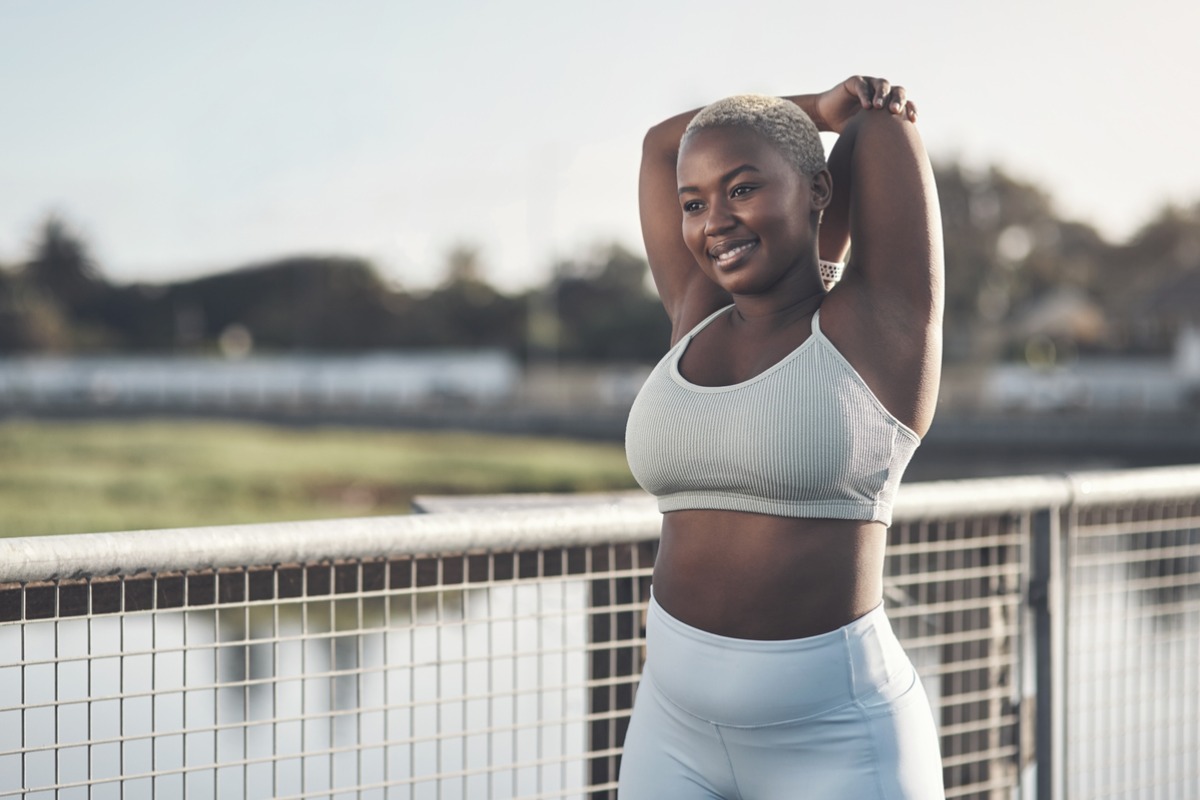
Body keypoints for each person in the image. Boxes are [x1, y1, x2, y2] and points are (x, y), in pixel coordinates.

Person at [620, 76, 945, 799]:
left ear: (821, 190)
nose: (715, 221)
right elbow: (661, 146)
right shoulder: (697, 313)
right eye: (696, 203)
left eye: (742, 189)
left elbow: (878, 131)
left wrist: (845, 116)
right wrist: (813, 109)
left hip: (837, 738)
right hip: (670, 727)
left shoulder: (877, 327)